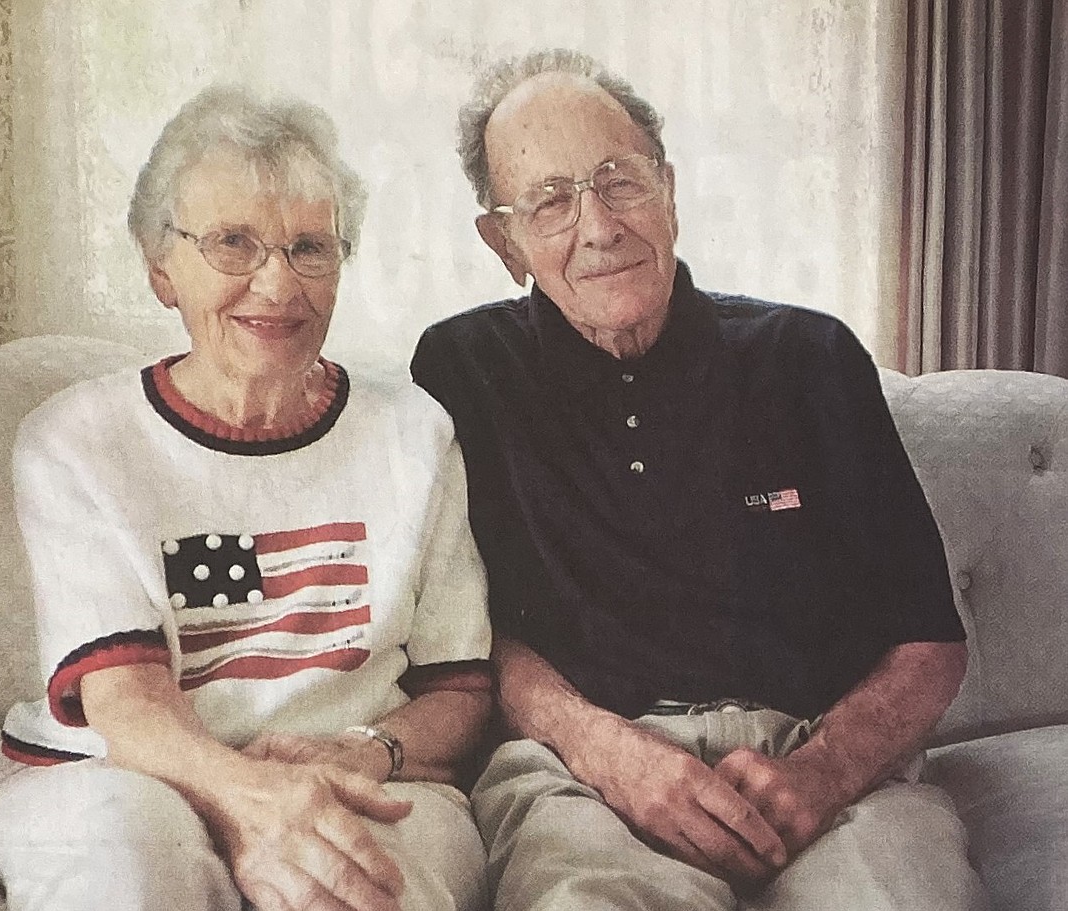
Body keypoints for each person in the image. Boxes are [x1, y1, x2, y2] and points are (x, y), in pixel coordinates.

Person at [411, 49, 987, 911]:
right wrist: (615, 756)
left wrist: (819, 773)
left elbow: (930, 642)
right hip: (586, 777)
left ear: (669, 189)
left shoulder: (810, 357)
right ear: (505, 242)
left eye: (620, 180)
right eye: (549, 201)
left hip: (818, 758)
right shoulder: (464, 369)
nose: (598, 225)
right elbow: (470, 635)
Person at [0, 86, 491, 911]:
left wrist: (367, 752)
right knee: (127, 877)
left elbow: (460, 689)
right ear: (160, 267)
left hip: (350, 766)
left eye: (309, 247)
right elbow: (127, 701)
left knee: (363, 889)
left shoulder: (414, 433)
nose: (277, 283)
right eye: (233, 244)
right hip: (119, 774)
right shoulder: (77, 438)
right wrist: (254, 801)